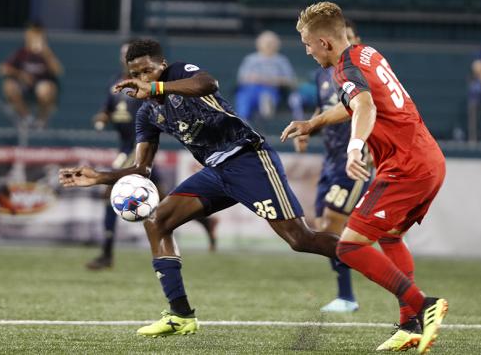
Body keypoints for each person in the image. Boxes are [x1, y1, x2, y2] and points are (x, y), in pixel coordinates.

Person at [59, 38, 340, 337]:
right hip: (216, 172)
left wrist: (158, 87)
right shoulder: (147, 114)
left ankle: (367, 255)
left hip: (247, 158)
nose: (142, 79)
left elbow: (208, 83)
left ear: (162, 66)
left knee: (299, 239)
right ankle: (180, 315)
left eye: (147, 71)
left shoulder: (180, 73)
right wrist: (99, 176)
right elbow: (142, 170)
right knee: (157, 220)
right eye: (136, 74)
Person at [282, 2, 448, 353]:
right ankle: (408, 325)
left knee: (349, 246)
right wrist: (313, 123)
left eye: (308, 44)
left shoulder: (344, 69)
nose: (308, 51)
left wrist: (355, 148)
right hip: (427, 159)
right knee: (389, 237)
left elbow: (365, 107)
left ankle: (423, 305)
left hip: (406, 167)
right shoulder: (366, 53)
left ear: (325, 43)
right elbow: (355, 103)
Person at [85, 40, 218, 271]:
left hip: (136, 146)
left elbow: (157, 109)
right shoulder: (116, 83)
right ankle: (206, 222)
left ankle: (106, 254)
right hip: (131, 148)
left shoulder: (150, 83)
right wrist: (101, 117)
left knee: (110, 194)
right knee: (163, 200)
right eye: (124, 54)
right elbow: (107, 109)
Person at [294, 19, 368, 313]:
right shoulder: (323, 74)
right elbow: (324, 108)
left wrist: (365, 149)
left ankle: (348, 296)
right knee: (331, 226)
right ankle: (348, 294)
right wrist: (308, 130)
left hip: (352, 163)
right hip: (330, 160)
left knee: (330, 226)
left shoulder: (359, 73)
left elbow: (369, 110)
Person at [0, 22, 63, 128]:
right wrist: (21, 75)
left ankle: (41, 120)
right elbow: (2, 69)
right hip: (24, 88)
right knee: (9, 86)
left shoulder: (47, 54)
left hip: (42, 88)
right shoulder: (22, 52)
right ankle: (27, 117)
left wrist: (46, 52)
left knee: (44, 89)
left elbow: (58, 71)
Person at [235, 30, 302, 121]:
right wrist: (257, 79)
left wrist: (268, 80)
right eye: (265, 42)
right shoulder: (250, 59)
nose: (268, 45)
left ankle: (266, 106)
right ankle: (243, 121)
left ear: (277, 44)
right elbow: (242, 78)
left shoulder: (281, 61)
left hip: (272, 89)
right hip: (252, 89)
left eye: (271, 42)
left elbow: (290, 80)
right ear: (258, 43)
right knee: (243, 96)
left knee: (267, 94)